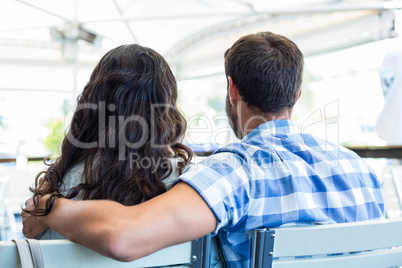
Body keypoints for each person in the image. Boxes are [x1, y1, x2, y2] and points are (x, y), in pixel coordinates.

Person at [22, 32, 384, 268]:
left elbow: (123, 236)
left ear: (232, 91)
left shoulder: (231, 176)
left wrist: (46, 205)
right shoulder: (363, 172)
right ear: (297, 95)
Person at [27, 44, 193, 238]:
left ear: (94, 102)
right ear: (165, 108)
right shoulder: (183, 184)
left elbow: (29, 235)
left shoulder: (59, 185)